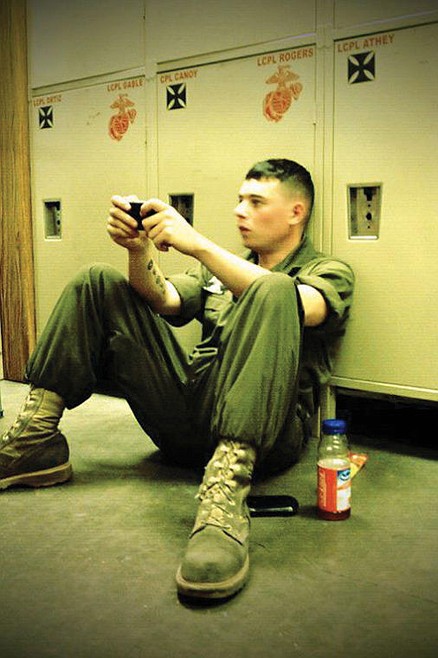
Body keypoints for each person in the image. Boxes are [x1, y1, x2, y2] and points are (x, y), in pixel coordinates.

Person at [0, 159, 354, 601]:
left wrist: (198, 245)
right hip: (190, 416)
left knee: (274, 288)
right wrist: (138, 249)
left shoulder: (329, 271)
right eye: (240, 199)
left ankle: (224, 502)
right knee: (96, 281)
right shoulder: (221, 269)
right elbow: (165, 299)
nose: (239, 211)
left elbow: (306, 306)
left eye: (256, 202)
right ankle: (35, 442)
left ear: (296, 212)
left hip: (267, 439)